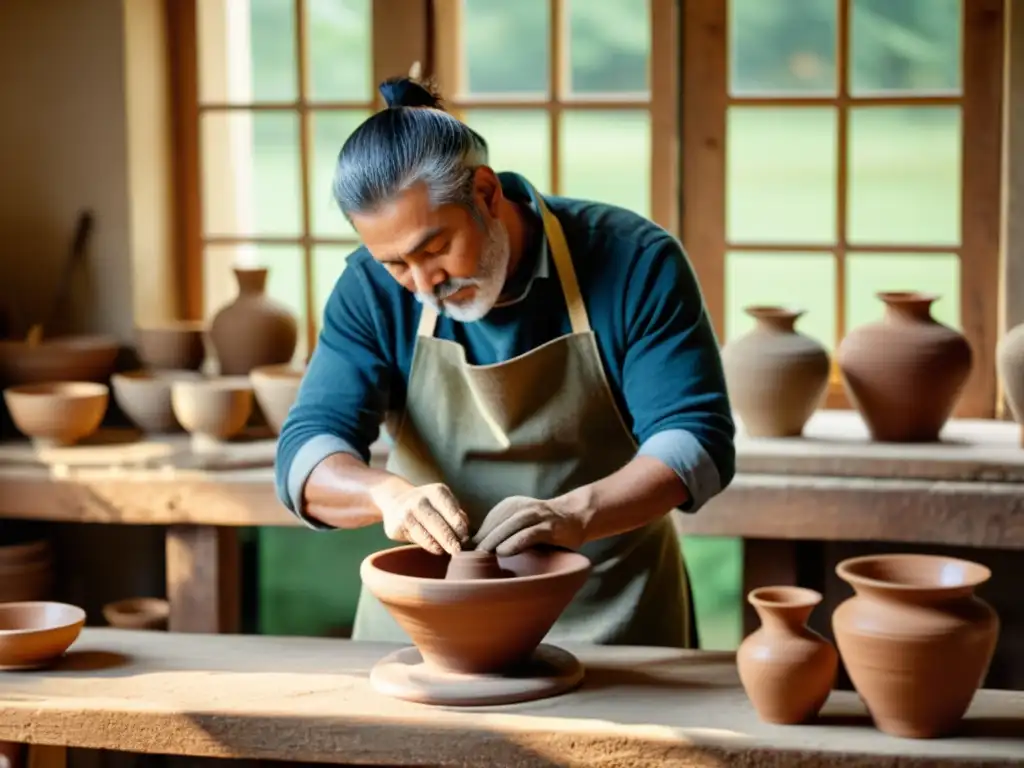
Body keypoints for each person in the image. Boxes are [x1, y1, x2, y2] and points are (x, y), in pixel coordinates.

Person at [274, 76, 735, 648]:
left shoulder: (634, 260)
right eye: (396, 263)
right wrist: (384, 494)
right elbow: (306, 451)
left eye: (436, 248)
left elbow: (696, 441)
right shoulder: (369, 290)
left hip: (609, 615)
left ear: (487, 194)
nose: (423, 285)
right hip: (430, 625)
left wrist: (578, 514)